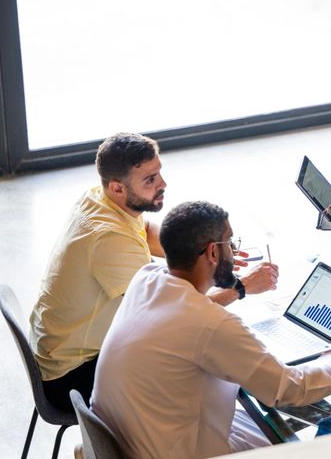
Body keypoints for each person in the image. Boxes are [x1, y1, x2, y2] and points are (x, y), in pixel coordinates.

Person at [91, 201, 331, 459]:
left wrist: (240, 296)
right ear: (213, 252)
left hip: (134, 442)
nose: (233, 250)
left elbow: (187, 320)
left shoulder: (147, 277)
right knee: (321, 457)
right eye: (230, 242)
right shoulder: (211, 325)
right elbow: (288, 390)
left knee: (270, 424)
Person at [29, 132, 278, 412]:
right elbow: (173, 317)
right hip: (72, 376)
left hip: (59, 352)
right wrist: (241, 288)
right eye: (150, 180)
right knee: (202, 366)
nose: (163, 185)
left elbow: (145, 232)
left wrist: (211, 251)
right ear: (117, 188)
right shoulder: (108, 238)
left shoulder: (103, 199)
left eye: (159, 173)